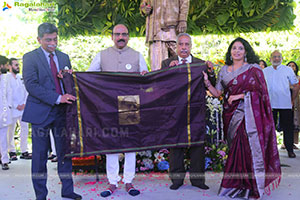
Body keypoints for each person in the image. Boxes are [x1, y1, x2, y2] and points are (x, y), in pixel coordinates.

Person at [203, 37, 281, 199]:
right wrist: (207, 83)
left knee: (246, 149)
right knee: (234, 150)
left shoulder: (253, 69)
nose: (237, 51)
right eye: (234, 48)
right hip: (230, 115)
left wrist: (240, 96)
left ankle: (248, 187)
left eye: (240, 48)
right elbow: (218, 93)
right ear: (230, 52)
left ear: (246, 52)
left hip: (248, 115)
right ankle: (236, 185)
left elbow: (261, 93)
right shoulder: (224, 70)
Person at [22, 23, 81, 200]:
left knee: (65, 153)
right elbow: (31, 85)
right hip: (40, 113)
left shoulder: (64, 57)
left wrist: (69, 78)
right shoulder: (30, 57)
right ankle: (41, 195)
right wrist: (57, 98)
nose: (53, 43)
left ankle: (68, 191)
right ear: (39, 39)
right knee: (39, 157)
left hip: (62, 113)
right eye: (48, 40)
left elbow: (68, 84)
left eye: (55, 39)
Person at [88, 24, 148, 197]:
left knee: (130, 145)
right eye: (117, 34)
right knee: (111, 144)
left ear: (128, 36)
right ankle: (112, 182)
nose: (121, 37)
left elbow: (146, 78)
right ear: (112, 36)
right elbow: (89, 77)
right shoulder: (102, 55)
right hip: (107, 105)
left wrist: (144, 75)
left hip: (130, 103)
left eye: (124, 34)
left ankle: (129, 181)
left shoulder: (137, 55)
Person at [161, 33, 215, 191]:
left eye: (187, 44)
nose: (184, 47)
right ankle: (176, 180)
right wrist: (167, 73)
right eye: (181, 44)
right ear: (176, 47)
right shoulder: (167, 63)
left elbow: (211, 84)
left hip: (196, 111)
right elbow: (161, 87)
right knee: (176, 145)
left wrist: (211, 72)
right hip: (175, 112)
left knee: (197, 145)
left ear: (191, 46)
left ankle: (198, 180)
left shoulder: (200, 63)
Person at [263, 51, 299, 158]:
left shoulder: (287, 70)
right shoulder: (265, 71)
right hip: (269, 104)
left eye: (279, 57)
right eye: (274, 57)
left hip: (285, 103)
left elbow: (296, 85)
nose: (276, 59)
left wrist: (292, 100)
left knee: (288, 128)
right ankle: (269, 151)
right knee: (269, 128)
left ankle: (289, 150)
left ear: (282, 59)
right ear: (270, 59)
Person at [140, 0, 190, 70]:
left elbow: (184, 1)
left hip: (173, 28)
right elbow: (144, 4)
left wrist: (182, 19)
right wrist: (144, 9)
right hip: (155, 31)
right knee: (157, 69)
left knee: (181, 66)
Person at [6, 58, 32, 161]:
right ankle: (11, 151)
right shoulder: (6, 78)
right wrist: (15, 104)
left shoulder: (21, 77)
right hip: (12, 108)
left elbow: (27, 91)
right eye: (16, 65)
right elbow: (7, 93)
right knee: (10, 130)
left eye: (18, 65)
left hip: (23, 107)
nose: (18, 67)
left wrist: (24, 103)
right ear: (9, 66)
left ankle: (24, 151)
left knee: (24, 129)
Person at [0, 55, 12, 170]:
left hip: (3, 112)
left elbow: (9, 93)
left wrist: (9, 107)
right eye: (6, 65)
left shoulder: (6, 78)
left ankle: (4, 160)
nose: (8, 67)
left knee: (3, 136)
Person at [287, 61, 300, 149]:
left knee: (296, 120)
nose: (291, 67)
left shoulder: (298, 77)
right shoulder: (284, 77)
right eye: (289, 66)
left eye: (293, 66)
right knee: (287, 120)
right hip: (286, 100)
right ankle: (286, 142)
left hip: (296, 101)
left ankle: (294, 142)